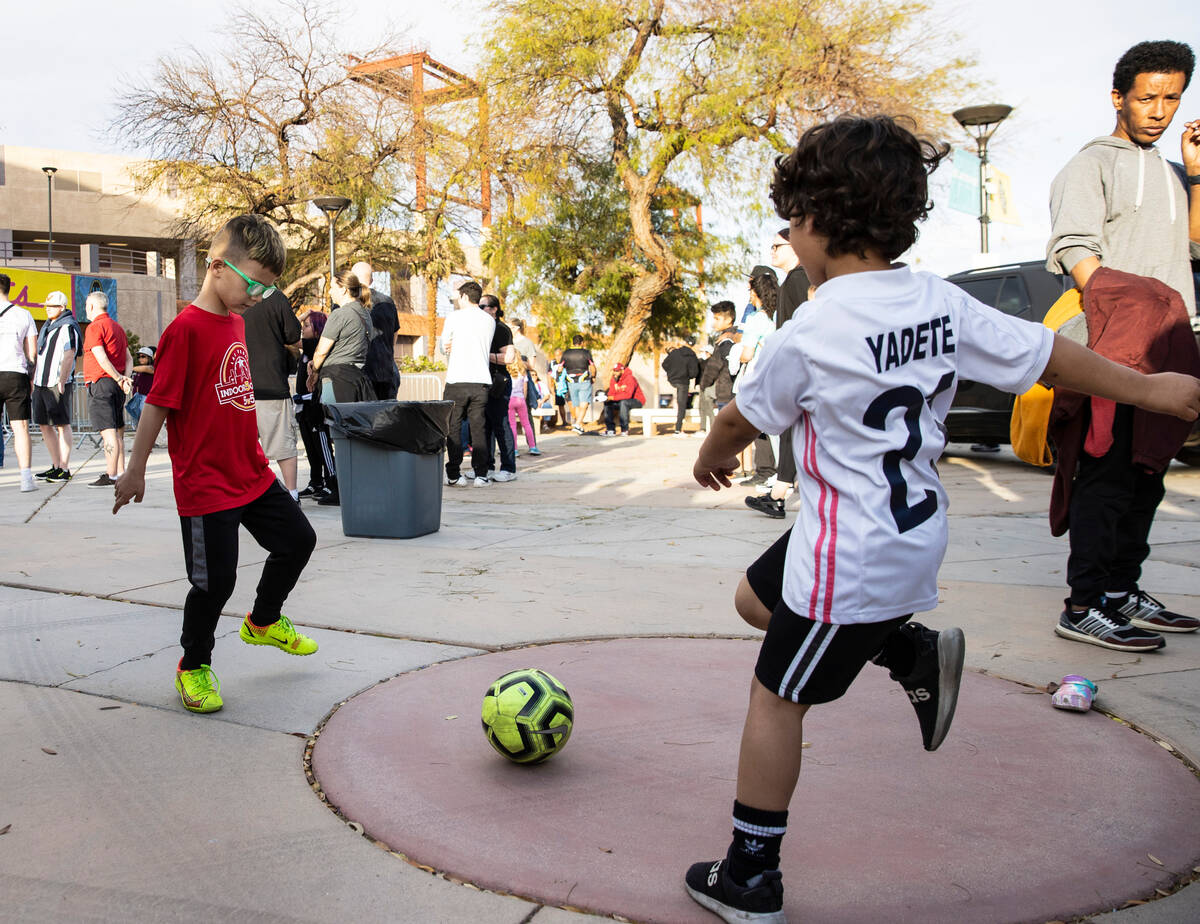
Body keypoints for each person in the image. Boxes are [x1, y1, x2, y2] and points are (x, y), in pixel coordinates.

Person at [682, 114, 1200, 924]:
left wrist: (708, 454)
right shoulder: (938, 301)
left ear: (817, 221)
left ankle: (750, 874)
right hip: (898, 536)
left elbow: (743, 419)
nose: (788, 239)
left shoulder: (811, 327)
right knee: (754, 599)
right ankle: (913, 651)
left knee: (776, 699)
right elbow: (1048, 354)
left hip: (848, 557)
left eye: (789, 224)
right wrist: (1153, 387)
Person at [113, 213, 319, 716]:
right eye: (255, 284)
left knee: (298, 541)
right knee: (214, 583)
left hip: (249, 472)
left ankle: (264, 620)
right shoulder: (185, 330)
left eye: (268, 290)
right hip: (205, 485)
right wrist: (136, 468)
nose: (259, 296)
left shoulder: (235, 321)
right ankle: (193, 666)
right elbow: (158, 405)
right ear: (217, 267)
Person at [1046, 39, 1200, 649]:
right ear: (1119, 98)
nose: (1160, 111)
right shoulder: (1091, 165)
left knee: (1147, 476)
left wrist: (1194, 175)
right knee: (1105, 476)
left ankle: (1120, 591)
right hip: (1112, 349)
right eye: (1147, 98)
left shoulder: (1166, 171)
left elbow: (1192, 251)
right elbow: (1074, 248)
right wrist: (1126, 310)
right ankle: (1083, 602)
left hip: (1169, 348)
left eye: (1173, 98)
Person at [243, 289, 302, 500]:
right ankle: (292, 493)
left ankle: (246, 492)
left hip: (239, 386)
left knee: (242, 448)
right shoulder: (276, 298)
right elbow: (293, 335)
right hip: (271, 382)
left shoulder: (235, 296)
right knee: (283, 444)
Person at [441, 280, 495, 486]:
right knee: (478, 428)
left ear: (464, 297)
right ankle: (481, 474)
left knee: (453, 428)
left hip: (457, 379)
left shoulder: (454, 317)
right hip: (480, 380)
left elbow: (443, 346)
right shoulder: (488, 320)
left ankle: (454, 474)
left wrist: (448, 346)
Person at [82, 290, 132, 488]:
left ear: (93, 306)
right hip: (116, 385)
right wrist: (124, 378)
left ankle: (110, 475)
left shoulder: (95, 327)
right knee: (118, 430)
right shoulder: (117, 327)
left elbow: (100, 356)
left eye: (87, 306)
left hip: (102, 383)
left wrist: (119, 377)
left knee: (108, 432)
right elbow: (129, 358)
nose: (86, 309)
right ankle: (120, 473)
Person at [31, 290, 82, 483]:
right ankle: (55, 465)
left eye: (51, 306)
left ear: (62, 308)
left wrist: (62, 379)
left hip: (56, 382)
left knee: (62, 424)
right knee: (44, 424)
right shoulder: (48, 326)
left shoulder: (68, 326)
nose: (47, 309)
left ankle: (64, 467)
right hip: (41, 382)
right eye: (46, 305)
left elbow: (70, 354)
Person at [739, 269, 781, 487]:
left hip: (759, 376)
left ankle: (779, 475)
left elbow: (747, 354)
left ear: (756, 294)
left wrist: (737, 355)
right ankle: (784, 473)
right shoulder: (777, 317)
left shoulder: (756, 319)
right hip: (776, 375)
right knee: (778, 430)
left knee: (767, 430)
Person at [0, 274, 40, 492]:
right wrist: (30, 377)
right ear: (8, 289)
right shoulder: (24, 314)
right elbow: (32, 352)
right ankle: (25, 479)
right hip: (15, 373)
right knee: (21, 427)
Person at [295, 310, 336, 501]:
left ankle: (332, 482)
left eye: (307, 326)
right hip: (303, 407)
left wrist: (300, 318)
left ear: (318, 329)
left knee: (322, 445)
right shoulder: (304, 354)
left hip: (315, 407)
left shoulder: (315, 345)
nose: (303, 329)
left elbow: (290, 338)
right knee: (310, 448)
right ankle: (316, 481)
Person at [480, 294, 518, 482]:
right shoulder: (480, 328)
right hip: (482, 381)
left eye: (483, 306)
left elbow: (509, 357)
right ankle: (486, 467)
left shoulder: (501, 329)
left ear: (494, 309)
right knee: (484, 426)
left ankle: (509, 467)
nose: (480, 310)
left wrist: (486, 355)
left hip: (498, 381)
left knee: (501, 424)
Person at [353, 261, 401, 400]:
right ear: (372, 280)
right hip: (385, 370)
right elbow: (394, 333)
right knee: (385, 417)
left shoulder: (346, 303)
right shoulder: (388, 301)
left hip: (360, 373)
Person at [697, 301, 739, 426]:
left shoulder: (724, 340)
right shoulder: (737, 335)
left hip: (726, 392)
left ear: (729, 319)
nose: (714, 323)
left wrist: (704, 384)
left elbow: (714, 366)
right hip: (736, 391)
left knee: (728, 435)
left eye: (717, 318)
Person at [662, 336, 701, 435]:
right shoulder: (692, 356)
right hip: (683, 382)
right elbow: (694, 373)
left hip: (672, 380)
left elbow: (664, 364)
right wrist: (687, 374)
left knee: (677, 402)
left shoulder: (675, 352)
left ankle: (678, 429)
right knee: (682, 405)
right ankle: (678, 429)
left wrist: (671, 373)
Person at [561, 335, 596, 433]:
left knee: (576, 404)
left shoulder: (566, 353)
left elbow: (560, 367)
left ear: (572, 342)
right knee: (584, 403)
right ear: (582, 342)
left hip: (571, 381)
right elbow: (592, 366)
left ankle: (578, 426)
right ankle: (578, 423)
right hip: (583, 379)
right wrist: (593, 376)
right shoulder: (586, 353)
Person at [508, 354, 542, 455]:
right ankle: (533, 447)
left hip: (510, 400)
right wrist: (524, 398)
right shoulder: (523, 372)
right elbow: (525, 388)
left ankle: (514, 449)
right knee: (526, 424)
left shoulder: (508, 371)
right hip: (521, 399)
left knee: (512, 425)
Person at [602, 361, 646, 435]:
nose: (615, 373)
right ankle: (610, 430)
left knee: (624, 403)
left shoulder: (630, 378)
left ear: (622, 370)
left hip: (637, 400)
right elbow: (611, 393)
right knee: (608, 403)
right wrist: (606, 398)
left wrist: (612, 397)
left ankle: (624, 429)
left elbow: (628, 395)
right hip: (621, 400)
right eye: (614, 371)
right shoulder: (613, 379)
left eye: (617, 371)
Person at [125, 346, 156, 430]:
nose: (140, 359)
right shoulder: (139, 370)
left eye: (143, 356)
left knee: (145, 422)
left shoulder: (152, 367)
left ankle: (150, 441)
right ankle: (142, 441)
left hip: (147, 398)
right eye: (139, 357)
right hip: (137, 398)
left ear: (149, 358)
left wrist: (129, 368)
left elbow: (148, 368)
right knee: (137, 423)